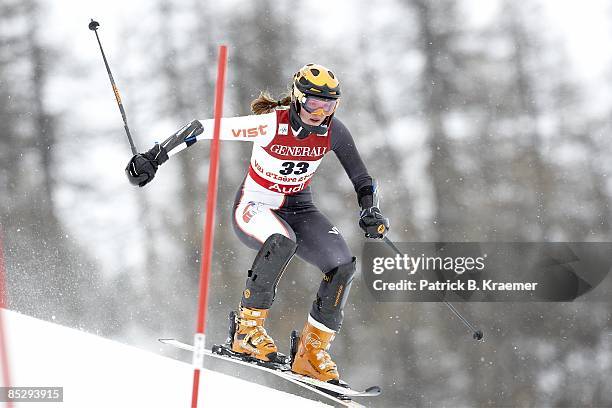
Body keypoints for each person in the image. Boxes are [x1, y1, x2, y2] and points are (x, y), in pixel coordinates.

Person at [126, 63, 390, 383]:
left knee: (343, 265)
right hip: (254, 206)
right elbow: (200, 128)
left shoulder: (335, 132)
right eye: (313, 103)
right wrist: (154, 157)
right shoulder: (269, 125)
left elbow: (363, 178)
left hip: (299, 208)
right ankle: (247, 331)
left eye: (329, 105)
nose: (320, 113)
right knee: (282, 240)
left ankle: (311, 353)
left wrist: (369, 209)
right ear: (296, 98)